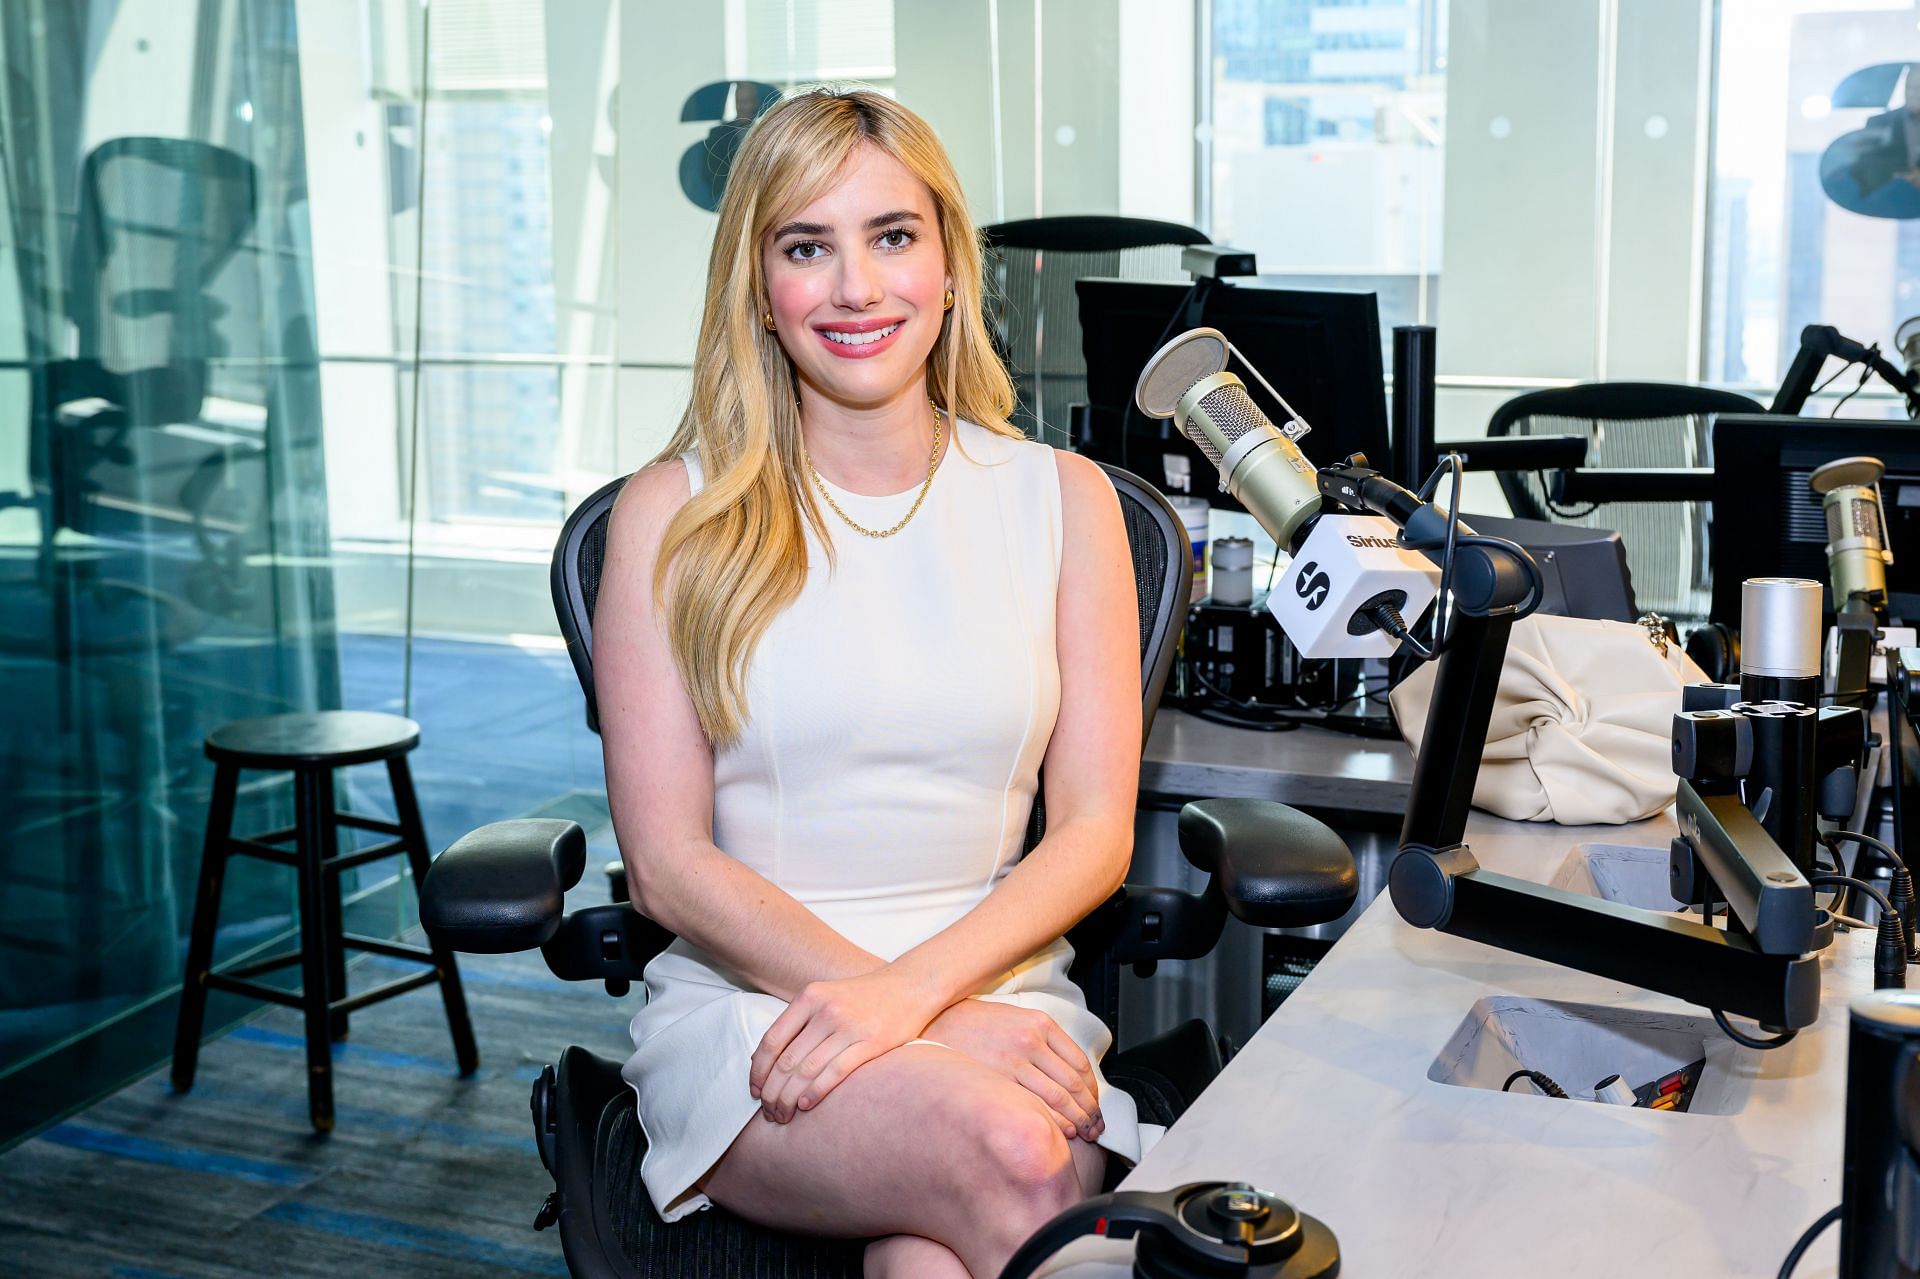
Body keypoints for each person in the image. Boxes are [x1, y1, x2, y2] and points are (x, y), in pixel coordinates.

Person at [592, 87, 1149, 1278]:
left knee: (928, 1261)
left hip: (1008, 988)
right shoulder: (674, 513)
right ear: (760, 285)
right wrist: (933, 1015)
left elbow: (1097, 829)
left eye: (892, 236)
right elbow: (667, 864)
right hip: (759, 1003)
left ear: (950, 263)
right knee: (1016, 1148)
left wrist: (930, 999)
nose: (856, 287)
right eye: (807, 246)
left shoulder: (1066, 499)